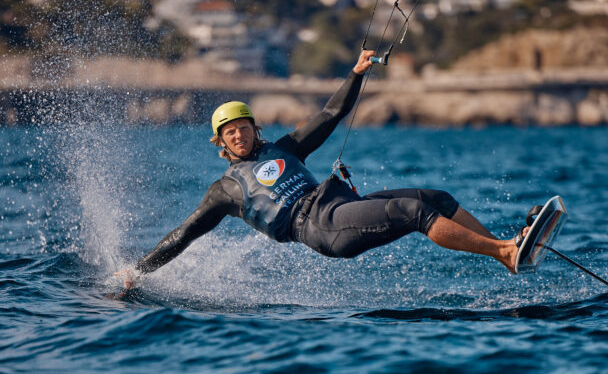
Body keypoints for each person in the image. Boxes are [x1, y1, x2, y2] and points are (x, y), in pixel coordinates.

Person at [116, 50, 527, 290]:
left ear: (254, 129)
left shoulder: (285, 148)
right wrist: (138, 270)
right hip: (318, 227)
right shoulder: (224, 191)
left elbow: (332, 112)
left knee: (432, 199)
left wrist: (356, 73)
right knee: (412, 213)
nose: (238, 135)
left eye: (243, 127)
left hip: (338, 205)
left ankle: (504, 252)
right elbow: (184, 234)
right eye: (229, 133)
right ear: (220, 142)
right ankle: (506, 251)